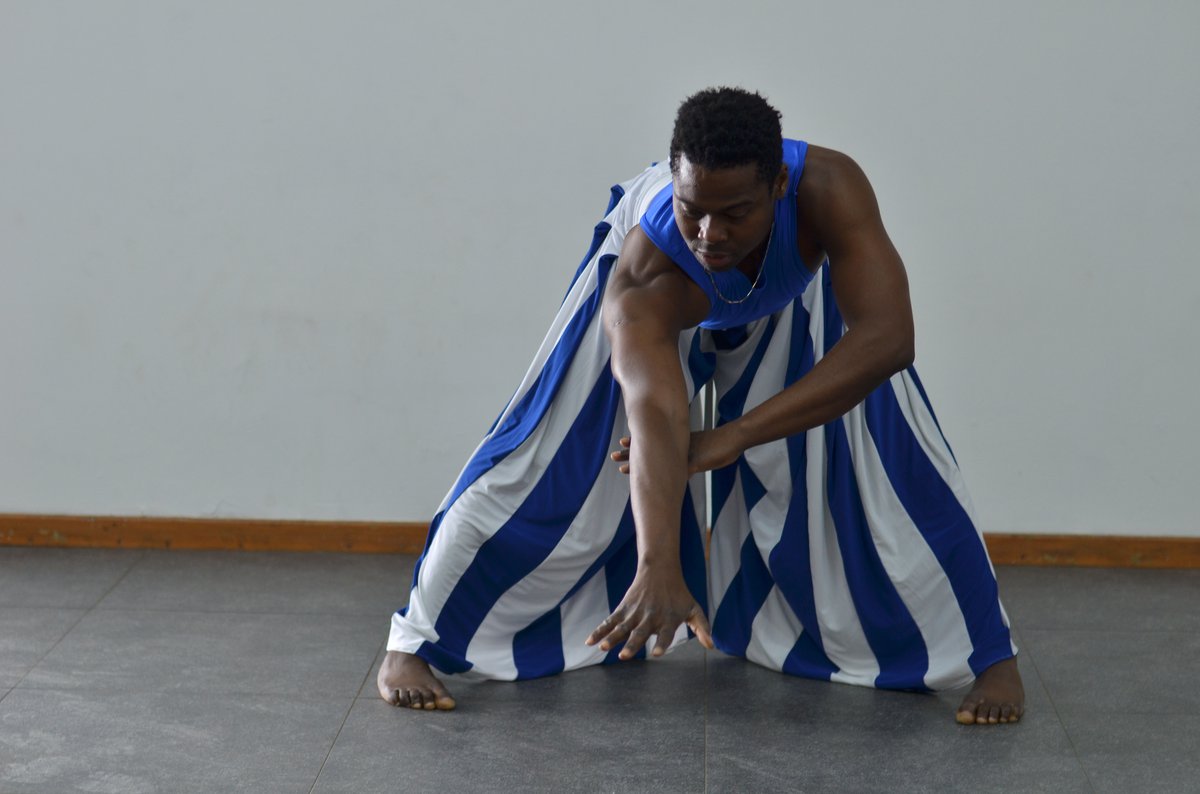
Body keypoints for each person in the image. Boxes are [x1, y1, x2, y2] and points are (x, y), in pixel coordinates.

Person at [377, 87, 1024, 725]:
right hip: (662, 301)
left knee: (887, 455)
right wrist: (658, 561)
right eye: (693, 211)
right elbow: (655, 412)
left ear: (778, 186)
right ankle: (414, 643)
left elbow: (889, 339)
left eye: (733, 212)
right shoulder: (650, 270)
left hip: (792, 286)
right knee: (547, 460)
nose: (710, 234)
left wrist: (735, 434)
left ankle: (987, 653)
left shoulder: (830, 190)